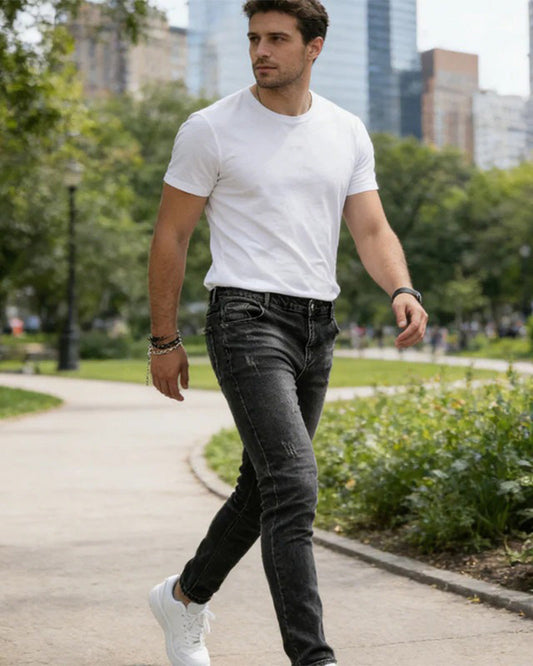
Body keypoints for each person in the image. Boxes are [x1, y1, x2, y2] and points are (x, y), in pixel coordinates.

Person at [147, 1, 428, 665]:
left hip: (316, 325)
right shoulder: (210, 129)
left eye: (277, 38)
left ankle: (183, 598)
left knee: (262, 490)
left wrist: (402, 287)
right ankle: (313, 657)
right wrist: (164, 339)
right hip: (244, 318)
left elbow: (370, 227)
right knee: (295, 485)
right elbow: (171, 234)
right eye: (254, 38)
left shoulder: (345, 130)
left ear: (314, 47)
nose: (261, 51)